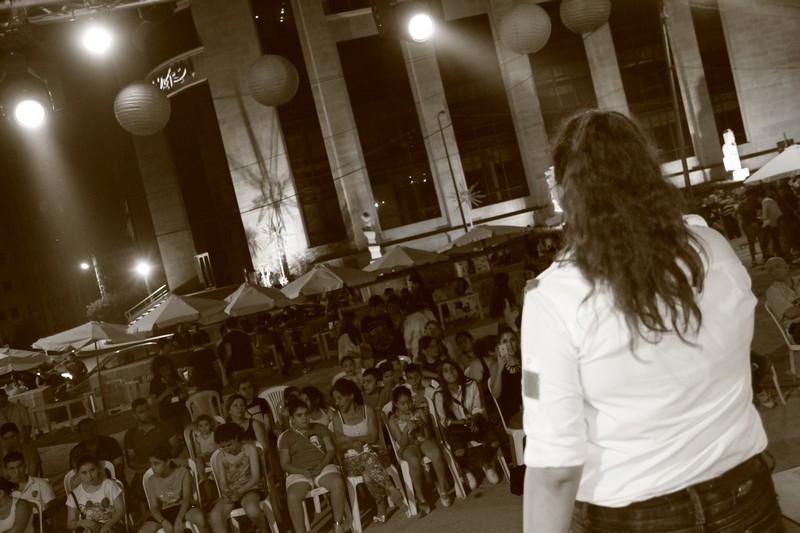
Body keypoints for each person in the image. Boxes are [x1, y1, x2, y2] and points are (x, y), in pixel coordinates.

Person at [522, 110, 781, 531]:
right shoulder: (713, 249)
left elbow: (555, 471)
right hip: (746, 497)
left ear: (568, 192)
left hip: (635, 515)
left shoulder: (555, 297)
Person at [329, 379, 405, 525]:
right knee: (366, 458)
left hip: (376, 454)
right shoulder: (337, 418)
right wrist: (354, 443)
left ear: (351, 395)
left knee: (368, 472)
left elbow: (373, 437)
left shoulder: (367, 410)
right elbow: (339, 444)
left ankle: (381, 509)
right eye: (335, 399)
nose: (337, 402)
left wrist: (350, 440)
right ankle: (391, 489)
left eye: (340, 398)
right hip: (352, 462)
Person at [278, 399, 348, 533]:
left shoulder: (319, 428)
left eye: (306, 414)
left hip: (323, 466)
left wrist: (322, 464)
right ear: (292, 418)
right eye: (299, 415)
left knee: (337, 483)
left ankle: (338, 524)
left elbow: (331, 449)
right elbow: (284, 464)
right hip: (300, 472)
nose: (304, 418)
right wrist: (301, 471)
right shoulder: (286, 437)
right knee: (292, 496)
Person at [433, 360, 501, 490]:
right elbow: (444, 421)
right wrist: (463, 422)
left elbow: (479, 408)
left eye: (452, 368)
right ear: (442, 375)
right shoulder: (439, 394)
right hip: (456, 427)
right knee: (459, 451)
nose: (450, 373)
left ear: (458, 369)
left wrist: (473, 419)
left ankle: (486, 462)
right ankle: (466, 469)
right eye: (446, 371)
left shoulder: (471, 384)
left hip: (476, 420)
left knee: (494, 442)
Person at [386, 386, 451, 513]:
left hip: (422, 440)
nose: (407, 406)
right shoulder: (393, 419)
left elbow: (428, 435)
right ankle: (421, 497)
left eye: (409, 402)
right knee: (414, 461)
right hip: (407, 446)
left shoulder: (418, 412)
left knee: (436, 453)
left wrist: (423, 425)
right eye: (403, 404)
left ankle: (443, 490)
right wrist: (406, 429)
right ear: (396, 404)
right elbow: (402, 443)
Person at [124, 398, 182, 517]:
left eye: (147, 409)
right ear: (134, 415)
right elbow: (131, 460)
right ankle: (153, 515)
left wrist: (163, 461)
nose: (146, 413)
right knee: (140, 486)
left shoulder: (164, 426)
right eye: (141, 412)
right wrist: (146, 466)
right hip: (146, 469)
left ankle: (175, 509)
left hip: (167, 465)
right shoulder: (131, 435)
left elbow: (177, 446)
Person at [208, 423, 270, 533]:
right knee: (214, 516)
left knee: (252, 510)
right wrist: (226, 489)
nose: (226, 449)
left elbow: (255, 477)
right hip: (232, 491)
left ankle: (264, 529)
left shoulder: (249, 449)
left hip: (250, 488)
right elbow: (222, 481)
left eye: (229, 445)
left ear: (236, 438)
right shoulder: (221, 456)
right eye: (223, 447)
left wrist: (239, 492)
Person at [138, 445, 207, 533]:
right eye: (151, 464)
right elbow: (154, 508)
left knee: (199, 518)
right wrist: (163, 521)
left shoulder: (182, 472)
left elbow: (187, 498)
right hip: (164, 512)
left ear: (167, 462)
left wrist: (179, 518)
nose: (153, 468)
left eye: (157, 464)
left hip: (183, 507)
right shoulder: (151, 481)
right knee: (143, 531)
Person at [67, 455, 124, 533]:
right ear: (77, 474)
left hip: (111, 524)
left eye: (92, 470)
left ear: (98, 468)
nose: (89, 476)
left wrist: (108, 525)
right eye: (84, 473)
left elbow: (120, 510)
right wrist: (82, 523)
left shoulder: (110, 486)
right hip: (88, 527)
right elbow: (70, 523)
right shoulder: (74, 495)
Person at [488, 326, 522, 429]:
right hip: (512, 414)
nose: (509, 344)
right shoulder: (495, 366)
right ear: (500, 346)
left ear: (517, 342)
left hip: (530, 407)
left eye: (512, 340)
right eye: (505, 341)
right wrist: (500, 370)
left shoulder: (525, 360)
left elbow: (534, 388)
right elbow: (496, 395)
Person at [4, 451, 56, 520]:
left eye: (19, 466)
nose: (17, 472)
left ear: (25, 465)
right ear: (6, 470)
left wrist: (32, 520)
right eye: (12, 468)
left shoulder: (41, 483)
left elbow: (54, 508)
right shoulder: (4, 490)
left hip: (40, 523)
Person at [148, 356, 189, 433]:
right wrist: (166, 393)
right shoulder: (155, 382)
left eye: (168, 369)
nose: (167, 372)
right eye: (163, 371)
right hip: (167, 416)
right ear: (158, 371)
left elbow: (186, 396)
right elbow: (153, 402)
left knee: (188, 433)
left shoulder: (175, 377)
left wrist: (181, 387)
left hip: (182, 411)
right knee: (173, 437)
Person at [765, 256, 800, 342]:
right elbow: (791, 313)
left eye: (778, 266)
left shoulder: (798, 280)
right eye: (771, 270)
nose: (776, 270)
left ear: (787, 267)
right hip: (796, 327)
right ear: (769, 275)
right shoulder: (773, 292)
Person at [360, 296, 403, 363]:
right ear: (372, 307)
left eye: (383, 306)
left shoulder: (385, 317)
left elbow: (393, 332)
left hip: (392, 351)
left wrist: (387, 334)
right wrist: (379, 336)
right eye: (379, 307)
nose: (382, 309)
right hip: (378, 354)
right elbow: (367, 340)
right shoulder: (365, 321)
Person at [188, 332, 223, 396]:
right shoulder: (210, 352)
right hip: (214, 381)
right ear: (202, 341)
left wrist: (194, 384)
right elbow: (216, 368)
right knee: (218, 399)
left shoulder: (191, 357)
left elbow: (190, 375)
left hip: (202, 385)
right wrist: (219, 379)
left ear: (192, 343)